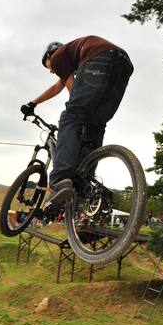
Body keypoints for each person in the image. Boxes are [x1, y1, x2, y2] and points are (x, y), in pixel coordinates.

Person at [21, 36, 134, 207]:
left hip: (100, 58)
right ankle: (84, 181)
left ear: (49, 55)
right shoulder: (72, 57)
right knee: (95, 125)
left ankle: (61, 179)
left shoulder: (58, 56)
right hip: (123, 64)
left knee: (71, 116)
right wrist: (33, 103)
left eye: (47, 66)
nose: (51, 71)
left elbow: (73, 91)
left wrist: (77, 113)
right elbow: (57, 86)